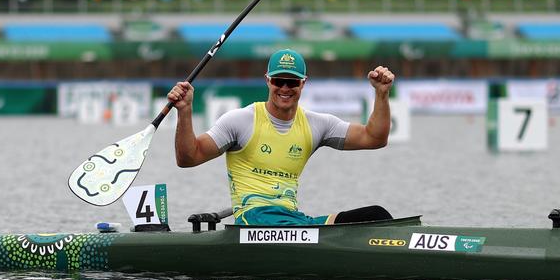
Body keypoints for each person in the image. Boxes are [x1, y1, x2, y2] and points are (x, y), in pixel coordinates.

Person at [168, 48, 395, 226]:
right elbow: (189, 158)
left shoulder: (318, 124)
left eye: (292, 82)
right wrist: (185, 112)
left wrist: (382, 93)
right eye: (279, 81)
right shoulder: (239, 121)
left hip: (292, 221)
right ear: (268, 80)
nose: (285, 88)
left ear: (303, 83)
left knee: (377, 215)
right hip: (253, 222)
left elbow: (374, 138)